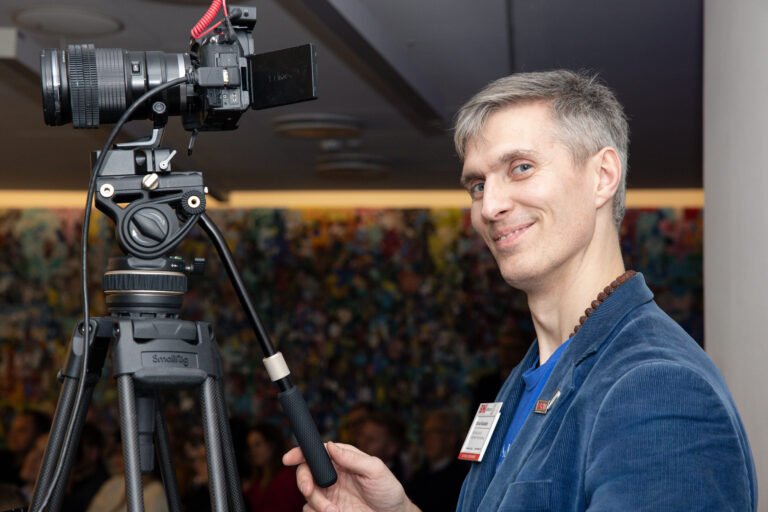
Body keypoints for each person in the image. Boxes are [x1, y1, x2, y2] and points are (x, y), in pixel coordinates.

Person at [284, 70, 758, 511]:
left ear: (602, 176)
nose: (489, 206)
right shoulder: (528, 376)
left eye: (521, 167)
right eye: (477, 185)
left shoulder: (656, 385)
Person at [404, 408, 468, 512]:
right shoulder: (419, 476)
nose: (426, 438)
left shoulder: (463, 479)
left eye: (433, 432)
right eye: (425, 433)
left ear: (451, 437)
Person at [243, 423, 304, 512]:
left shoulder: (287, 478)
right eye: (250, 447)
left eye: (258, 444)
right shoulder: (255, 483)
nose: (253, 451)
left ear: (271, 445)